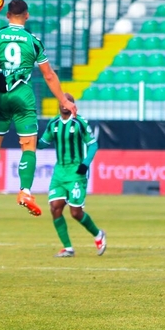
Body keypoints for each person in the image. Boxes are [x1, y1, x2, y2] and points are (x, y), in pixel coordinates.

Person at [0, 0, 77, 216]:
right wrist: (64, 100)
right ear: (27, 15)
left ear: (7, 15)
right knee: (28, 146)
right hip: (22, 94)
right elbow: (48, 75)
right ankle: (25, 191)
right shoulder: (33, 41)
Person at [38, 93, 106, 257]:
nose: (65, 104)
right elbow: (41, 144)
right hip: (59, 173)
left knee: (75, 212)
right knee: (55, 208)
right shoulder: (53, 123)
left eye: (68, 102)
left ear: (73, 105)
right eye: (62, 101)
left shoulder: (80, 123)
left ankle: (98, 235)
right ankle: (68, 248)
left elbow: (93, 144)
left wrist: (85, 164)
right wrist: (29, 138)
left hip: (76, 172)